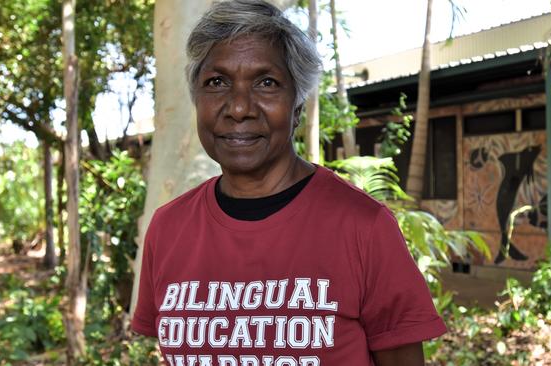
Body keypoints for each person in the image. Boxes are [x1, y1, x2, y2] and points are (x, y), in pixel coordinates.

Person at [132, 1, 446, 365]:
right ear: (196, 100)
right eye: (217, 82)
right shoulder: (168, 229)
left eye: (267, 83)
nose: (238, 108)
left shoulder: (363, 227)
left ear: (297, 107)